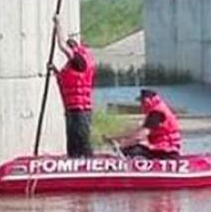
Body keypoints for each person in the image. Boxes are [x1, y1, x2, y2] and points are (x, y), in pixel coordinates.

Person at [48, 14, 97, 157]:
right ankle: (73, 162)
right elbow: (65, 82)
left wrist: (58, 24)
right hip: (71, 109)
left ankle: (89, 164)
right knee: (72, 142)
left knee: (82, 141)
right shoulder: (71, 66)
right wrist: (55, 71)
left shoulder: (80, 60)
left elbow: (62, 45)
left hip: (81, 109)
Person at [106, 88, 182, 159]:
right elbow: (137, 131)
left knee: (132, 150)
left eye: (142, 102)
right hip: (160, 147)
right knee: (132, 147)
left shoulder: (157, 113)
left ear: (148, 101)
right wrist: (114, 136)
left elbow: (141, 135)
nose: (141, 105)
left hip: (167, 150)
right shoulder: (155, 111)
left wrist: (124, 144)